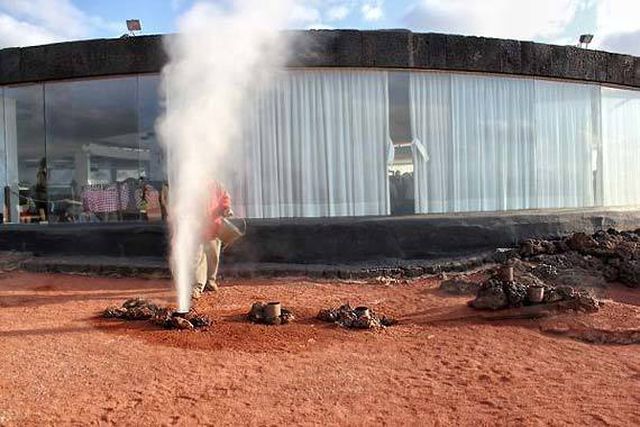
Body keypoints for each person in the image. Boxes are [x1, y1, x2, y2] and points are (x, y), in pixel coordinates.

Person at [192, 181, 232, 300]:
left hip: (214, 227)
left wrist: (226, 209)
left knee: (213, 255)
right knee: (198, 256)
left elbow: (225, 199)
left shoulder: (217, 185)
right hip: (197, 227)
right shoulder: (192, 182)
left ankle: (210, 280)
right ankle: (197, 287)